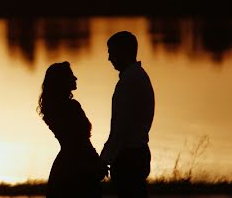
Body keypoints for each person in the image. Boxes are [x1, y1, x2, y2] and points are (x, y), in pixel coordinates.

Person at [39, 61, 107, 198]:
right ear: (62, 81)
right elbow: (81, 141)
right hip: (79, 166)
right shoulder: (71, 107)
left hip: (65, 165)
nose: (75, 78)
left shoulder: (52, 109)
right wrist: (96, 162)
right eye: (71, 76)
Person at [100, 31, 154, 198]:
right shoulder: (138, 76)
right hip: (137, 152)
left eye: (111, 52)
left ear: (122, 52)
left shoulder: (129, 82)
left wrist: (104, 159)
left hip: (128, 157)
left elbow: (121, 127)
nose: (109, 58)